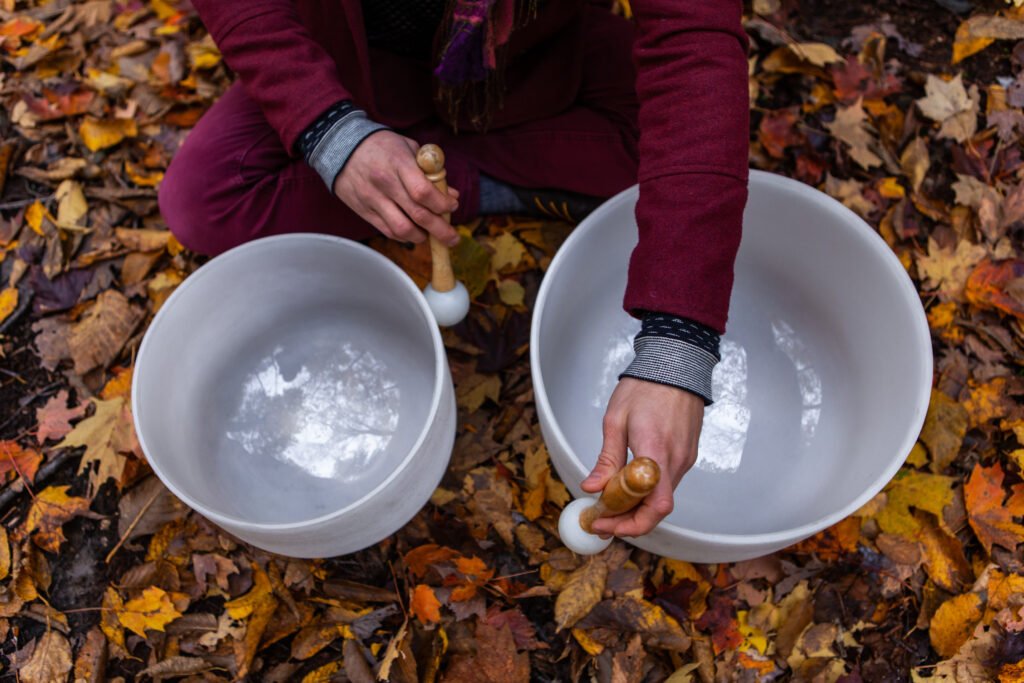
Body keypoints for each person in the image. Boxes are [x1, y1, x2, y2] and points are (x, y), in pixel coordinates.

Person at [159, 0, 749, 541]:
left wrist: (680, 341)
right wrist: (331, 130)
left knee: (689, 154)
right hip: (360, 62)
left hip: (531, 56)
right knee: (204, 198)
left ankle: (436, 170)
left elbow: (691, 44)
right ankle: (466, 176)